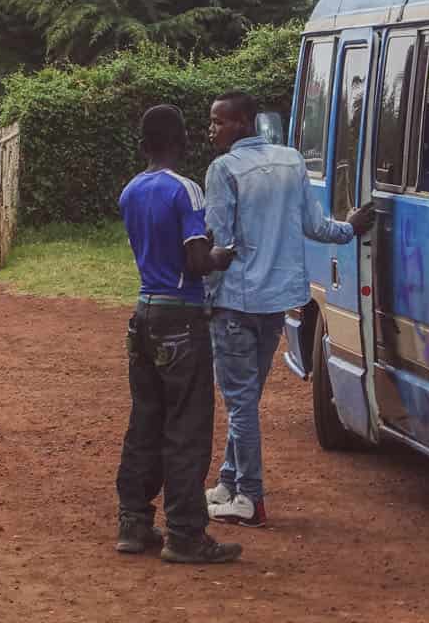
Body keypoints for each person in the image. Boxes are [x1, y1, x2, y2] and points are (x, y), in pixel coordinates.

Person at [202, 90, 375, 530]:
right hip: (277, 300)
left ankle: (250, 497)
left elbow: (218, 243)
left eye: (218, 121)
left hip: (236, 301)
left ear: (242, 122)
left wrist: (203, 299)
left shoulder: (223, 170)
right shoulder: (291, 161)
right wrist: (350, 229)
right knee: (247, 397)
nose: (211, 129)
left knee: (240, 402)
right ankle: (227, 482)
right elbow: (314, 226)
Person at [116, 104, 241, 565]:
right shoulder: (185, 189)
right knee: (186, 428)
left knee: (144, 421)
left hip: (144, 313)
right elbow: (195, 260)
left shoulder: (131, 190)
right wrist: (220, 255)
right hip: (182, 318)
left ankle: (133, 521)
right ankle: (185, 534)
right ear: (176, 140)